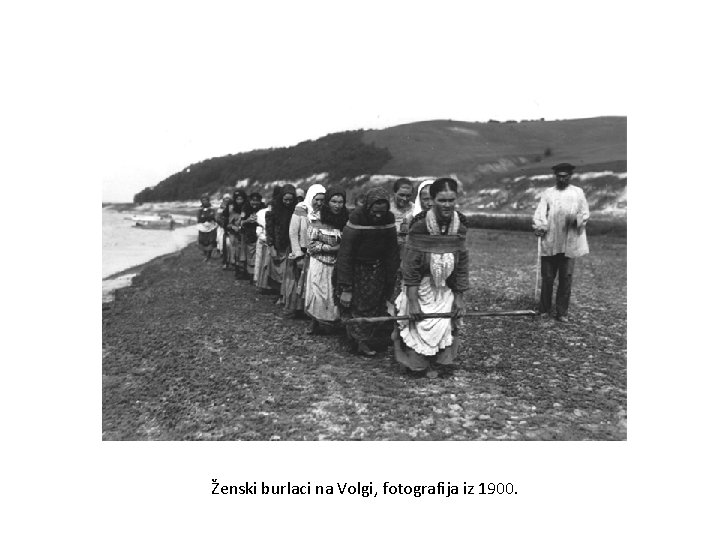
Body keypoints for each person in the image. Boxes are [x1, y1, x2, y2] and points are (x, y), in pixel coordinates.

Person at [393, 178, 469, 378]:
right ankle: (414, 360)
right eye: (442, 200)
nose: (447, 205)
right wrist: (412, 302)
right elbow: (410, 268)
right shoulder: (419, 226)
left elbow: (461, 266)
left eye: (451, 200)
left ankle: (440, 361)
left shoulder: (460, 226)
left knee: (446, 323)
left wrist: (459, 297)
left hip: (444, 287)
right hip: (420, 288)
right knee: (418, 330)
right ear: (432, 200)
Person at [337, 187, 400, 357]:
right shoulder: (357, 218)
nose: (378, 216)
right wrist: (346, 286)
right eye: (375, 212)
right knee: (358, 306)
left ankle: (370, 338)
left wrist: (391, 277)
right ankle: (360, 341)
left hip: (378, 269)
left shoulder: (388, 219)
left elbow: (392, 250)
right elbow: (345, 253)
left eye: (382, 212)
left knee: (378, 305)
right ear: (368, 206)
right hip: (358, 270)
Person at [532, 163, 590, 323]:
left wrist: (576, 219)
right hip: (550, 240)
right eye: (559, 176)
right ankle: (544, 309)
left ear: (570, 176)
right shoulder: (548, 193)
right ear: (555, 176)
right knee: (547, 277)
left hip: (569, 241)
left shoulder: (577, 192)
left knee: (566, 278)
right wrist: (540, 226)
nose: (562, 179)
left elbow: (585, 213)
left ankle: (562, 312)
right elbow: (540, 213)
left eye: (565, 176)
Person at [305, 188, 349, 334]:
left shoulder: (346, 218)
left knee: (334, 294)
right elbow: (311, 244)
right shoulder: (317, 218)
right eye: (334, 201)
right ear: (327, 202)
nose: (337, 205)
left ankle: (335, 322)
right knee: (318, 292)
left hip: (338, 263)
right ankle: (315, 321)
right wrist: (331, 248)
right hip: (320, 261)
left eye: (340, 202)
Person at [284, 184, 325, 316]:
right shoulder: (301, 209)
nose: (319, 203)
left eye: (322, 200)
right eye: (316, 199)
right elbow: (293, 233)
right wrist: (298, 254)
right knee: (298, 279)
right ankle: (297, 309)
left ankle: (311, 310)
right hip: (302, 250)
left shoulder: (324, 212)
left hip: (316, 252)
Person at [265, 184, 297, 303]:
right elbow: (269, 229)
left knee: (288, 272)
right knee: (278, 271)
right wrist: (271, 246)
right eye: (285, 200)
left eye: (290, 200)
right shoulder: (273, 209)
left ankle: (286, 296)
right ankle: (280, 294)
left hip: (291, 245)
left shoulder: (296, 209)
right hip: (279, 245)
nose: (288, 202)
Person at [255, 186, 282, 293]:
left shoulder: (274, 209)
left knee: (267, 264)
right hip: (268, 240)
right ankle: (267, 285)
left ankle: (267, 285)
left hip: (269, 239)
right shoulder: (269, 210)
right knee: (267, 263)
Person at [240, 192, 265, 282]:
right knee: (251, 254)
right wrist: (248, 220)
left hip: (261, 234)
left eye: (257, 201)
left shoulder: (263, 207)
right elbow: (241, 222)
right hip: (249, 233)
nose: (255, 203)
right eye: (253, 200)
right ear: (249, 200)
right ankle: (251, 275)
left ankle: (258, 274)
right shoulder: (245, 207)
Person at [226, 190, 249, 280]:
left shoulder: (247, 209)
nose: (239, 201)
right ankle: (238, 271)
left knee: (245, 252)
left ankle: (245, 271)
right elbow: (228, 224)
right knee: (236, 252)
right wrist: (233, 227)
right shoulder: (233, 210)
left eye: (241, 199)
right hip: (235, 235)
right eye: (237, 199)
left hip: (245, 234)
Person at [389, 177, 415, 242]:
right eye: (401, 195)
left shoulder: (415, 210)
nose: (404, 199)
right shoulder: (387, 210)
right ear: (394, 193)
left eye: (408, 196)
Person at [196, 194, 218, 262]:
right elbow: (199, 218)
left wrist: (206, 218)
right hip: (202, 227)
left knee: (210, 240)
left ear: (208, 201)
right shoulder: (200, 209)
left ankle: (208, 255)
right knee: (202, 240)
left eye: (206, 200)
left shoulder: (212, 208)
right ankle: (205, 253)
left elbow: (213, 217)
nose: (204, 202)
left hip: (211, 226)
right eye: (203, 200)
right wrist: (205, 219)